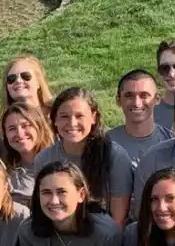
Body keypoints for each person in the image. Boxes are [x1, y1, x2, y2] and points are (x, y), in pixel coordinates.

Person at [36, 88, 136, 224]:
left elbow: (119, 220)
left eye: (79, 116)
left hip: (104, 235)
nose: (72, 123)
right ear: (54, 120)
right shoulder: (44, 159)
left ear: (94, 117)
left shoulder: (115, 156)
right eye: (64, 116)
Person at [0, 104, 52, 207]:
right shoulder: (4, 170)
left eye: (25, 126)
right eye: (12, 129)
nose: (19, 133)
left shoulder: (57, 162)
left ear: (39, 126)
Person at [109, 71, 173, 164]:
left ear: (157, 99)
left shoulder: (172, 142)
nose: (137, 103)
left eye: (144, 95)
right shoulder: (105, 144)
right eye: (129, 96)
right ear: (118, 100)